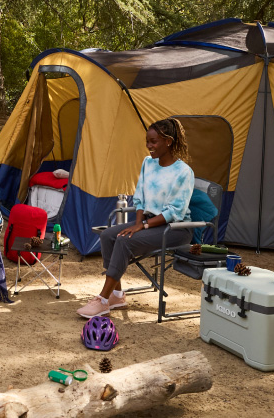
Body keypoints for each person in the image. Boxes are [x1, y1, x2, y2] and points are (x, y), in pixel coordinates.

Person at [77, 118, 195, 318]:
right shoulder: (148, 163)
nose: (149, 146)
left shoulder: (184, 172)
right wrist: (139, 223)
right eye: (147, 141)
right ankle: (116, 295)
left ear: (169, 141)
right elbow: (139, 197)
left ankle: (103, 300)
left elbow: (175, 211)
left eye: (153, 141)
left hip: (176, 229)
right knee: (108, 236)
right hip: (150, 223)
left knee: (124, 240)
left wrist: (143, 226)